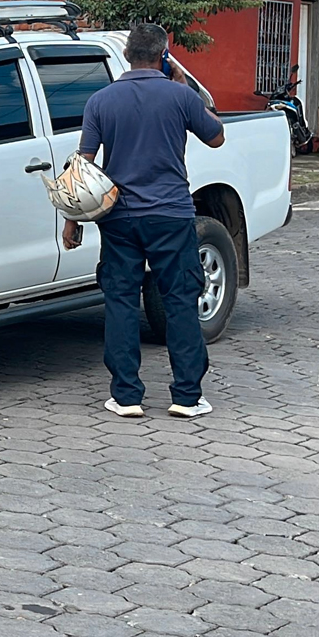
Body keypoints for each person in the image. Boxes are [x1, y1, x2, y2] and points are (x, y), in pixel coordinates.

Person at [65, 23, 226, 420]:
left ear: (127, 55)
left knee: (120, 301)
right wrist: (186, 85)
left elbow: (83, 166)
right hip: (172, 215)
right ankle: (187, 397)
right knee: (180, 301)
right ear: (163, 54)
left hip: (119, 217)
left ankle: (126, 396)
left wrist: (72, 220)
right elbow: (217, 136)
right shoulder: (180, 97)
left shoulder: (100, 101)